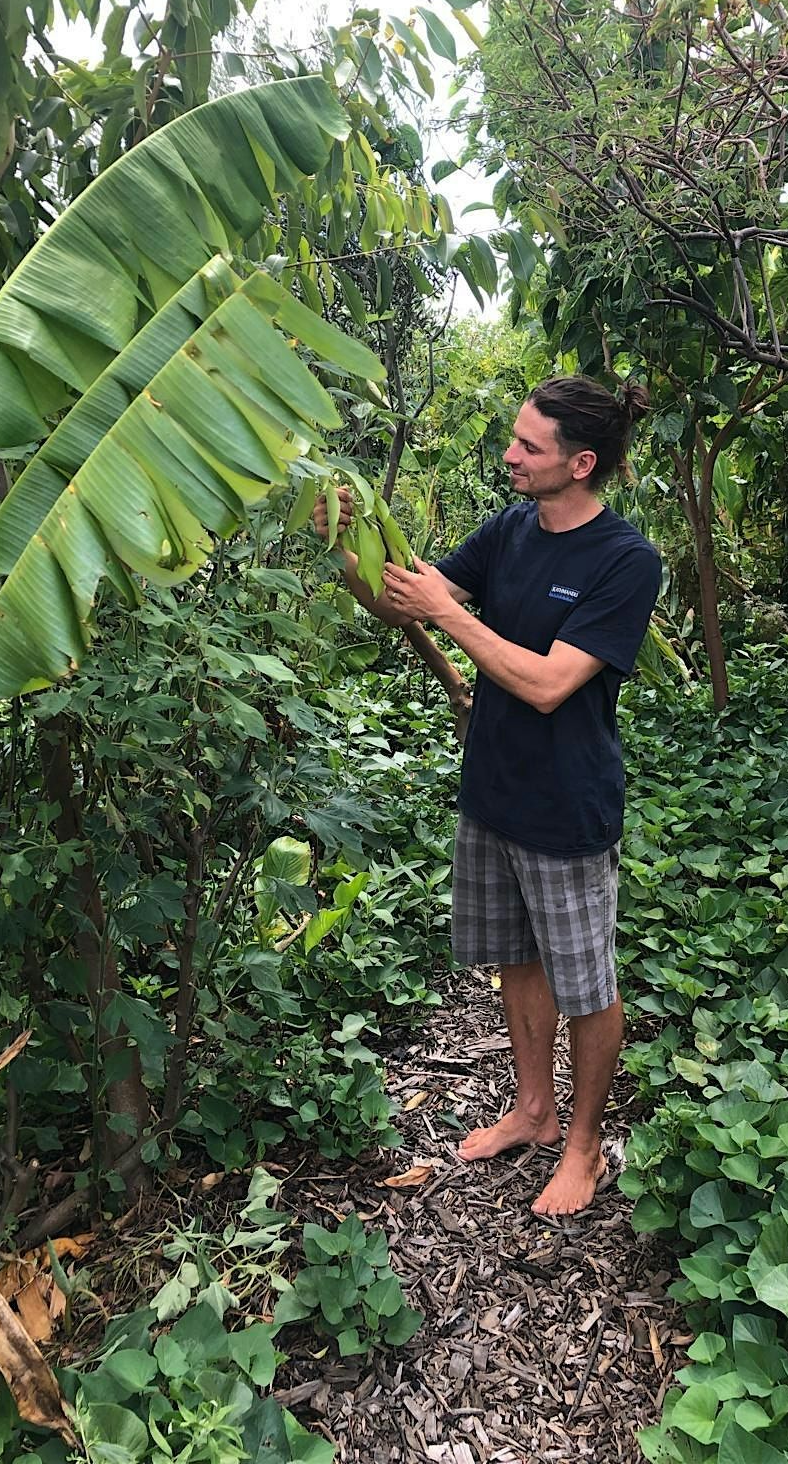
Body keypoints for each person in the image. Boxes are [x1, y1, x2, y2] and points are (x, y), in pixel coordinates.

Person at [314, 375, 660, 1215]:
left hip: (567, 808)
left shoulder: (625, 560)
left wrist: (447, 613)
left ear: (581, 464)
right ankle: (534, 1110)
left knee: (588, 986)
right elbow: (403, 604)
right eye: (514, 438)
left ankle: (584, 1148)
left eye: (528, 446)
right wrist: (346, 550)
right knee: (516, 959)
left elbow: (547, 684)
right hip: (493, 792)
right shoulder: (510, 528)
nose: (510, 455)